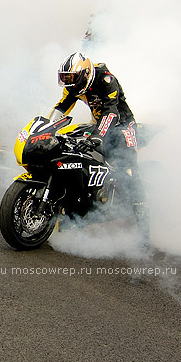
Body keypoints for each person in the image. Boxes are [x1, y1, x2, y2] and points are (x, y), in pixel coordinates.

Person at [48, 52, 148, 242]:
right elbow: (62, 106)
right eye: (65, 78)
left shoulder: (106, 79)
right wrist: (46, 126)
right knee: (72, 151)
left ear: (84, 73)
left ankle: (143, 220)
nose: (69, 82)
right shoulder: (75, 86)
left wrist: (98, 136)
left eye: (71, 77)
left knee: (128, 167)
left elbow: (111, 112)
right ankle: (75, 212)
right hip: (98, 124)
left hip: (123, 125)